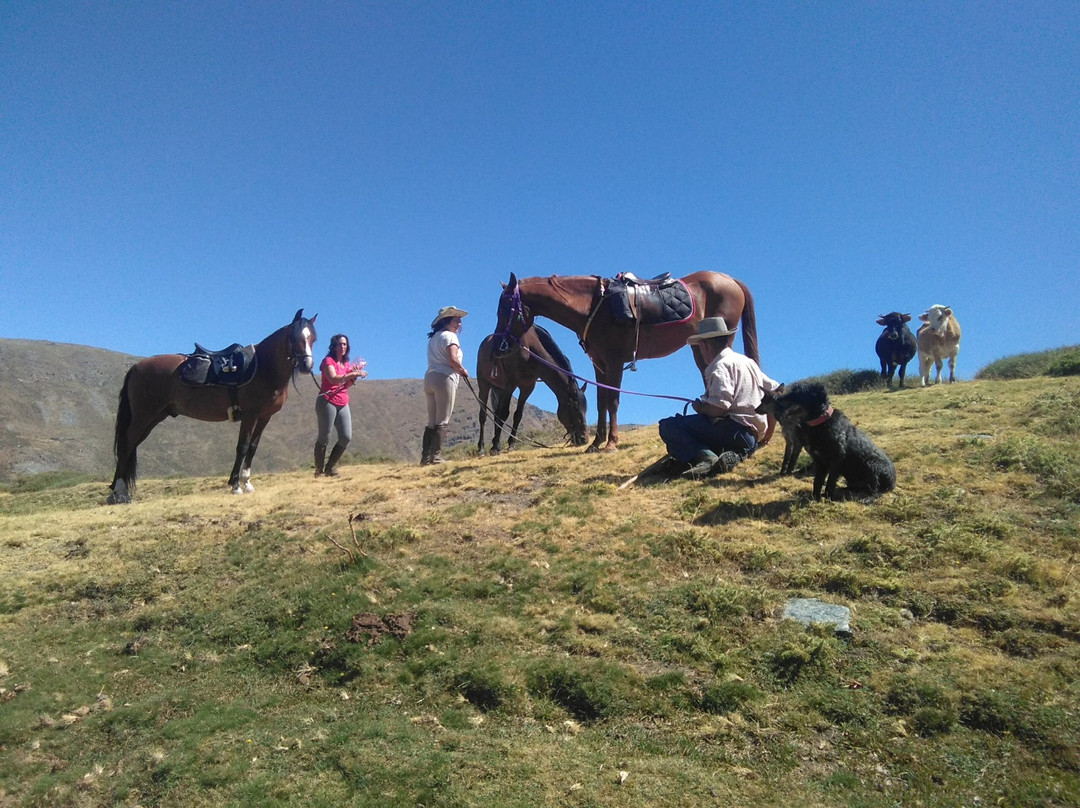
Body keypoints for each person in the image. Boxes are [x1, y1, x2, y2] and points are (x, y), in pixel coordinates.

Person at [658, 316, 781, 478]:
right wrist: (768, 432)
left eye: (700, 347)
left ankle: (704, 457)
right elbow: (775, 392)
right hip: (751, 438)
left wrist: (700, 407)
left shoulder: (719, 366)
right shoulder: (747, 362)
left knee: (669, 425)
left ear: (704, 345)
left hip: (732, 432)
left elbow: (718, 408)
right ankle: (732, 456)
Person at [314, 333, 367, 477]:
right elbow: (333, 379)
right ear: (334, 346)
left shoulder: (346, 364)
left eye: (345, 344)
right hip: (327, 401)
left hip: (342, 401)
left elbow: (345, 385)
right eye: (340, 344)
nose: (343, 347)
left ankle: (330, 468)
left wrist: (354, 375)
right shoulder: (328, 361)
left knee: (346, 436)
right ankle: (319, 470)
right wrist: (352, 373)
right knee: (324, 437)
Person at [422, 306, 469, 465]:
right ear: (447, 321)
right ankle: (436, 457)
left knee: (431, 420)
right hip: (444, 378)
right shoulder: (450, 337)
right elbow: (452, 359)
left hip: (429, 377)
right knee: (442, 419)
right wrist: (462, 370)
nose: (459, 323)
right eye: (456, 320)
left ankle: (426, 457)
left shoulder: (434, 338)